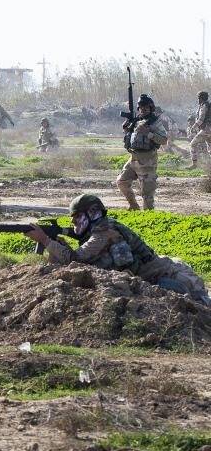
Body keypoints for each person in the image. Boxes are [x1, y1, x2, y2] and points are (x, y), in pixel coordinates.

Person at [24, 194, 209, 306]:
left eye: (78, 216)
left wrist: (45, 240)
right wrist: (56, 243)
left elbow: (76, 259)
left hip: (160, 274)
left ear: (93, 213)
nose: (73, 221)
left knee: (191, 301)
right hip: (146, 272)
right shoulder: (97, 229)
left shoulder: (104, 233)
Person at [117, 94, 167, 211]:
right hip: (133, 159)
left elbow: (164, 140)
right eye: (140, 108)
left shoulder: (155, 122)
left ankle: (148, 219)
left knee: (147, 194)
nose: (143, 110)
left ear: (150, 109)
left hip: (148, 161)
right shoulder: (136, 121)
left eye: (146, 108)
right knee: (122, 182)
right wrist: (125, 128)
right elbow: (129, 137)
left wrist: (148, 134)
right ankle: (134, 206)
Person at [188, 91, 211, 170]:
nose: (197, 100)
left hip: (206, 131)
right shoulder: (209, 105)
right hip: (208, 131)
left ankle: (194, 164)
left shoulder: (204, 106)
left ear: (201, 98)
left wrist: (193, 127)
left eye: (198, 98)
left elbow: (201, 119)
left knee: (192, 145)